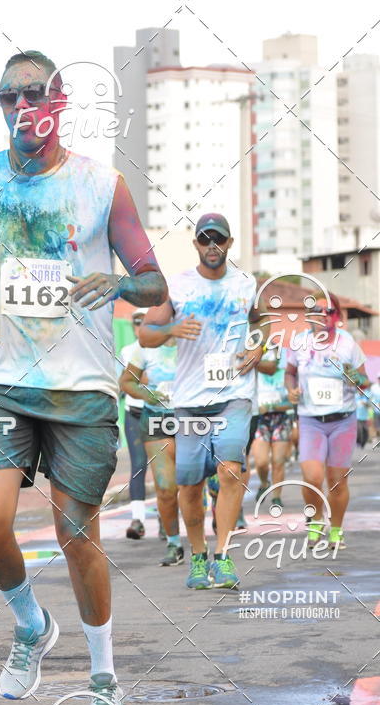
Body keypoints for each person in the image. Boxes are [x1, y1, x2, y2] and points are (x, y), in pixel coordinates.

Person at [0, 50, 168, 705]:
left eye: (34, 93)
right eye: (9, 96)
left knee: (76, 534)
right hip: (0, 380)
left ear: (59, 102)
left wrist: (121, 282)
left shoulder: (102, 185)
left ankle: (104, 682)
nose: (22, 106)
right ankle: (31, 624)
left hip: (82, 386)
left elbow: (153, 282)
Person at [139, 213, 268, 590]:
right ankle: (198, 556)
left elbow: (262, 322)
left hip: (234, 395)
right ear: (195, 244)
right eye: (205, 239)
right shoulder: (178, 286)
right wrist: (172, 328)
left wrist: (258, 347)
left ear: (229, 244)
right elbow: (146, 334)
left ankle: (223, 555)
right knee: (191, 486)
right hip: (191, 401)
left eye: (219, 239)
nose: (212, 246)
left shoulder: (246, 283)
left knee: (231, 471)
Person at [285, 292, 369, 549]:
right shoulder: (299, 342)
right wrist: (291, 390)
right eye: (316, 311)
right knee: (312, 477)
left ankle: (336, 530)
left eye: (328, 311)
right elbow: (289, 373)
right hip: (310, 419)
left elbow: (364, 381)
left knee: (337, 480)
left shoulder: (347, 344)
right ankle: (315, 521)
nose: (321, 316)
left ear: (336, 316)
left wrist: (353, 376)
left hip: (342, 420)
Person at [119, 339, 185, 565]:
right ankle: (172, 541)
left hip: (191, 416)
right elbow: (125, 381)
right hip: (152, 416)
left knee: (191, 483)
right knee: (163, 485)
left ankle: (199, 547)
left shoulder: (196, 339)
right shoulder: (138, 348)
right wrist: (147, 394)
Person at [119, 309, 149, 539]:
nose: (139, 329)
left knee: (167, 468)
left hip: (161, 415)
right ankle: (137, 519)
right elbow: (125, 382)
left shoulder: (168, 348)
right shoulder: (127, 351)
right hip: (135, 413)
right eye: (136, 325)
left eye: (144, 324)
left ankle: (167, 518)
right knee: (138, 464)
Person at [253, 348, 293, 508]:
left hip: (281, 419)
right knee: (261, 462)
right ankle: (264, 483)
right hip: (260, 420)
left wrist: (271, 406)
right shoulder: (255, 374)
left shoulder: (286, 375)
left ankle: (276, 497)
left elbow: (293, 402)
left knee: (278, 461)